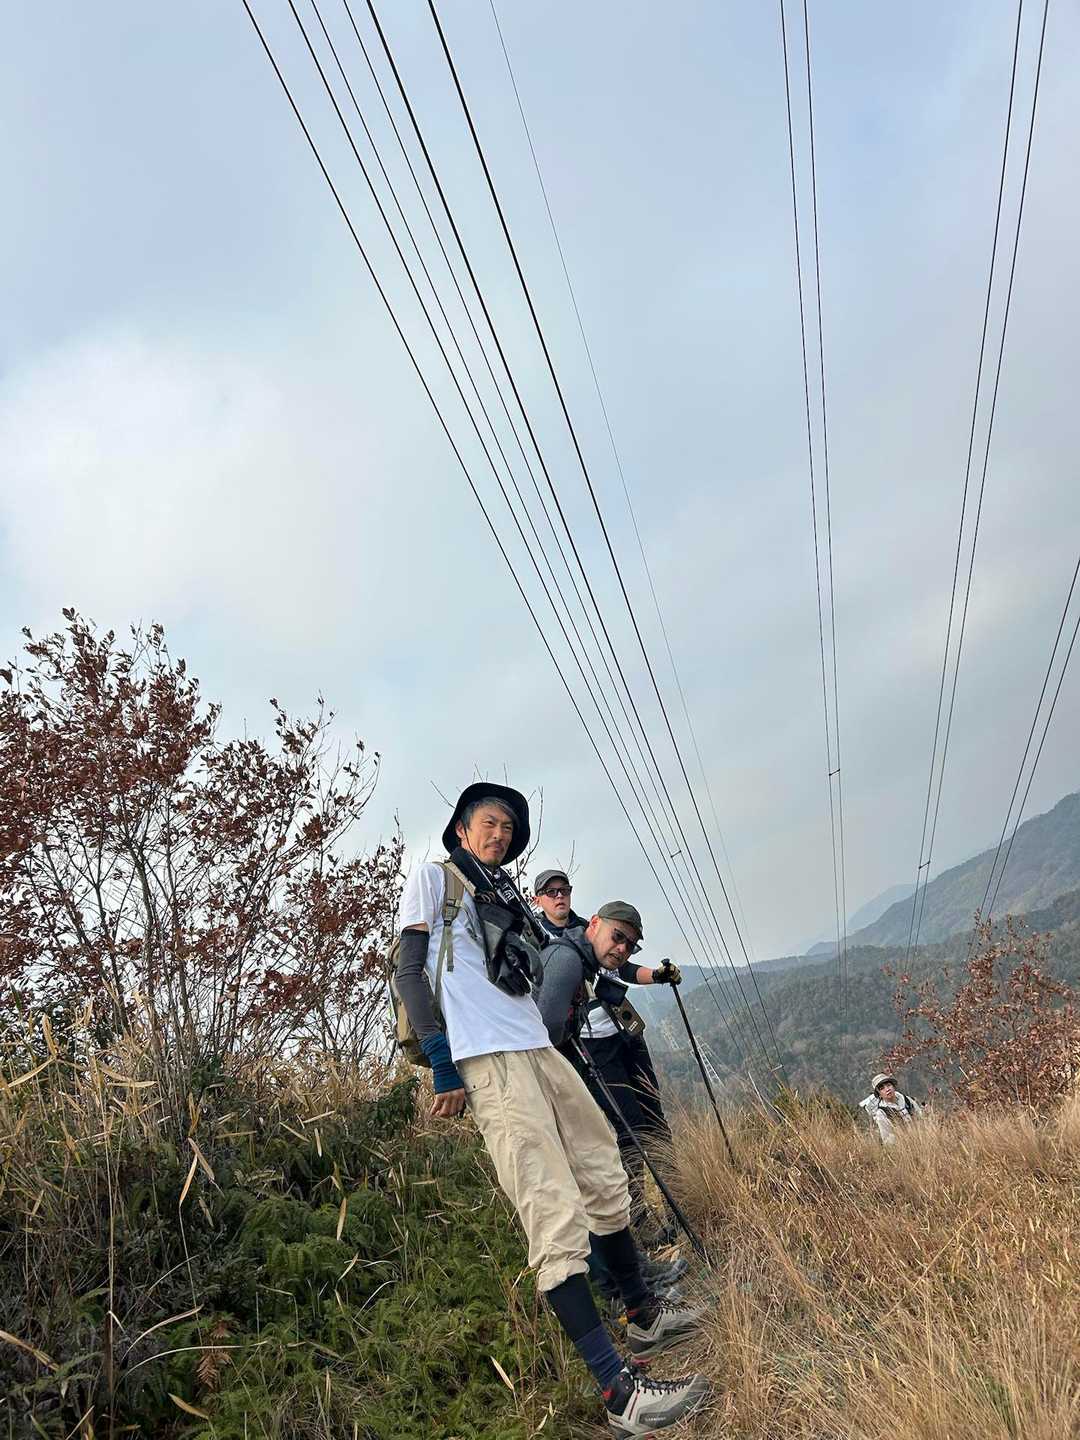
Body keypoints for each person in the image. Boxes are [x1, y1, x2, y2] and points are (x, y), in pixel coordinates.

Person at [394, 784, 710, 1436]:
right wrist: (441, 1059)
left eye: (509, 828)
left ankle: (643, 1314)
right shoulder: (433, 879)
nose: (500, 833)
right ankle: (619, 1393)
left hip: (539, 1047)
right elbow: (409, 970)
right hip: (489, 1060)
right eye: (490, 822)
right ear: (462, 827)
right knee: (552, 1209)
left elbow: (566, 958)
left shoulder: (504, 893)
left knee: (602, 1171)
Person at [533, 870, 689, 1302]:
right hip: (588, 1051)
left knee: (653, 1122)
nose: (560, 897)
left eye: (565, 890)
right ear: (538, 897)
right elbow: (546, 1020)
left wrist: (657, 975)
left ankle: (674, 1204)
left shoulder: (588, 932)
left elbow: (621, 972)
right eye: (551, 892)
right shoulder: (547, 942)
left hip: (622, 1035)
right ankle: (637, 1220)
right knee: (625, 1134)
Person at [859, 1072, 924, 1146]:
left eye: (888, 1085)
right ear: (879, 1094)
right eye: (882, 1088)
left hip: (921, 1140)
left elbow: (921, 1117)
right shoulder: (881, 1113)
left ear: (893, 1086)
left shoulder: (907, 1100)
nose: (887, 1089)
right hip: (903, 1146)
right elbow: (887, 1140)